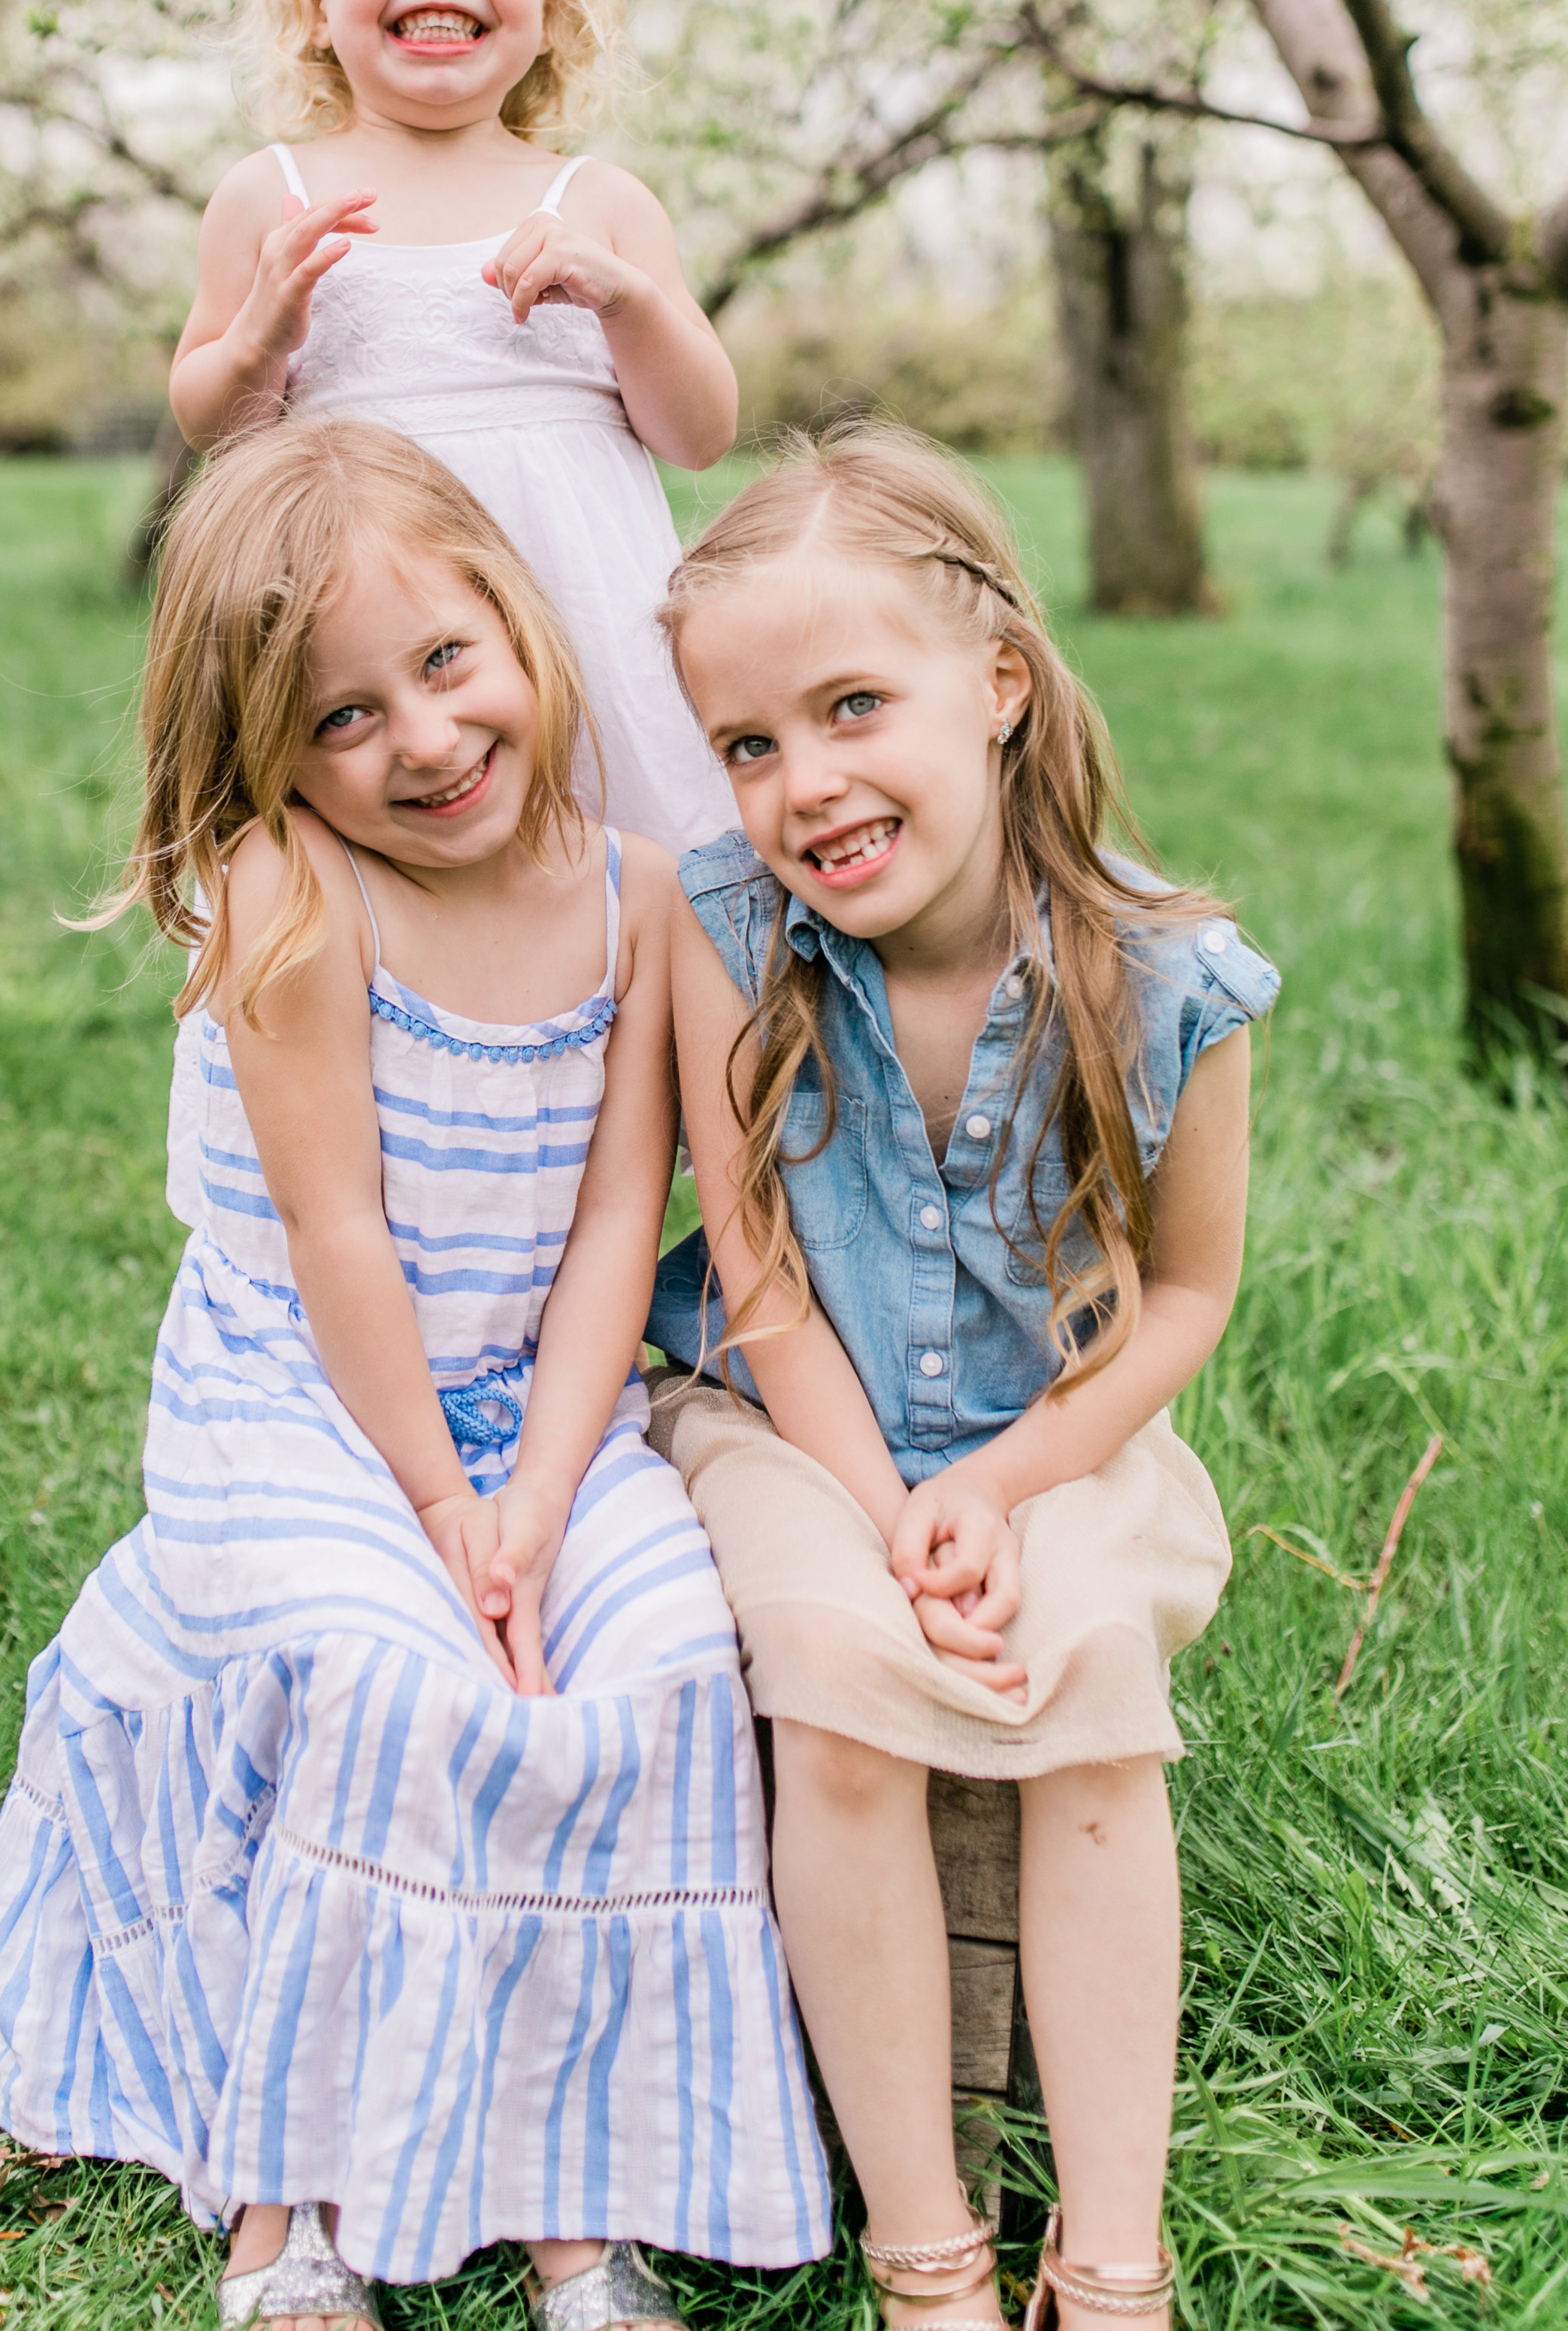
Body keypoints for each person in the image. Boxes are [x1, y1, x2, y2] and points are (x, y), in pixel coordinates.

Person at [0, 418, 828, 2331]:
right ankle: (290, 2208)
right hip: (300, 1394)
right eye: (341, 718)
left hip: (544, 1394)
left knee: (660, 1662)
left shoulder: (634, 893)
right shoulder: (296, 902)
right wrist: (446, 1519)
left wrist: (535, 1491)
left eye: (446, 666)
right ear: (265, 753)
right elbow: (343, 1241)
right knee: (396, 1674)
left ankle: (572, 2194)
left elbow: (623, 1219)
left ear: (521, 628)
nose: (422, 741)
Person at [643, 425, 1278, 2331]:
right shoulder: (721, 930)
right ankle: (927, 2254)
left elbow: (1181, 1302)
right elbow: (754, 1276)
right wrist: (889, 1507)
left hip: (1060, 1433)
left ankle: (1108, 2259)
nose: (802, 784)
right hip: (779, 1416)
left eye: (851, 708)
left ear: (997, 682)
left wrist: (994, 1491)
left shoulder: (1169, 973)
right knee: (839, 1688)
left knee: (1085, 1692)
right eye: (749, 745)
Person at [168, 0, 732, 859]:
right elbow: (211, 424)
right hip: (369, 651)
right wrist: (260, 340)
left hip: (585, 626)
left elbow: (701, 433)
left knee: (621, 882)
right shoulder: (270, 196)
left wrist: (629, 306)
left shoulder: (601, 203)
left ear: (555, 1)